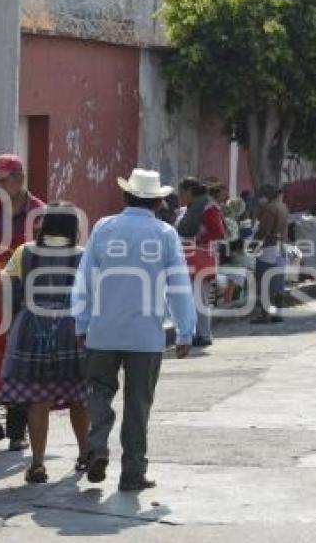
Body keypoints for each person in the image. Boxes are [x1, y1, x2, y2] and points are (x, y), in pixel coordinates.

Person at [73, 168, 195, 492]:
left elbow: (85, 279)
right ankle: (133, 472)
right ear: (157, 202)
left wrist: (81, 322)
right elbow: (179, 286)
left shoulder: (103, 228)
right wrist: (185, 332)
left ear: (125, 196)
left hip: (102, 331)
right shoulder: (165, 235)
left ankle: (96, 446)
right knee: (138, 403)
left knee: (99, 391)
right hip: (146, 335)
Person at [0, 203, 89, 484]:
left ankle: (37, 463)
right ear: (74, 228)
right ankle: (86, 454)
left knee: (38, 399)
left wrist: (13, 326)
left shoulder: (24, 252)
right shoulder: (82, 256)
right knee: (79, 397)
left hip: (32, 328)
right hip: (72, 329)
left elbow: (8, 291)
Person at [0, 154, 45, 450]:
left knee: (19, 362)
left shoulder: (39, 214)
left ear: (19, 179)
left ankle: (17, 430)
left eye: (2, 180)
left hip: (22, 300)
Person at [176, 177, 225, 348]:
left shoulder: (209, 208)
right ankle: (196, 332)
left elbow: (218, 232)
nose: (180, 196)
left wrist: (199, 236)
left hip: (201, 259)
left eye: (182, 193)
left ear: (190, 191)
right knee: (190, 299)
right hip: (187, 259)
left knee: (200, 299)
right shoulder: (188, 209)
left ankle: (204, 334)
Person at [251, 184, 290, 324]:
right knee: (278, 281)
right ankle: (278, 313)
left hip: (269, 248)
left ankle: (265, 314)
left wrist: (252, 242)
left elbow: (263, 231)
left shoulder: (269, 209)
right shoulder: (283, 207)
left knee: (264, 281)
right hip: (282, 248)